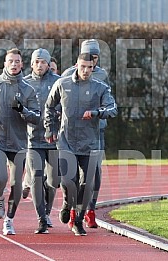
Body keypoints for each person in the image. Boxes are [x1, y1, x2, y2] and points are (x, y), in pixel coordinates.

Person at [44, 53, 117, 236]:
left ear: (93, 68)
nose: (85, 71)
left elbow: (112, 109)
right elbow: (49, 106)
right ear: (76, 65)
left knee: (87, 183)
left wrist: (96, 112)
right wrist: (50, 128)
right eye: (82, 66)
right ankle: (68, 203)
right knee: (70, 181)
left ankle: (78, 220)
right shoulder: (63, 84)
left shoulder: (100, 88)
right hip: (66, 140)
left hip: (90, 142)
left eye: (89, 67)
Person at [0, 48, 40, 235]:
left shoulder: (28, 89)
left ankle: (9, 220)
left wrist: (23, 110)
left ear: (22, 64)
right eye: (10, 61)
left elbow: (36, 117)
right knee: (1, 178)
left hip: (19, 141)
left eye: (17, 61)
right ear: (5, 63)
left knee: (16, 184)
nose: (14, 64)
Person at [62, 39, 110, 229]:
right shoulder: (67, 75)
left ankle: (90, 210)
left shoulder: (103, 76)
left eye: (96, 57)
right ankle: (71, 206)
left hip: (96, 132)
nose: (93, 62)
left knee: (94, 174)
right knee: (70, 176)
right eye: (90, 57)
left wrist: (100, 114)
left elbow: (108, 101)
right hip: (72, 134)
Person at [23, 48, 61, 233]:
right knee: (37, 177)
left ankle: (47, 210)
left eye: (43, 62)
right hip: (32, 139)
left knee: (53, 181)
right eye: (36, 61)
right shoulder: (24, 83)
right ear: (31, 63)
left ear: (48, 64)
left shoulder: (57, 82)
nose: (40, 65)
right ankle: (41, 219)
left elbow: (65, 104)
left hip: (53, 139)